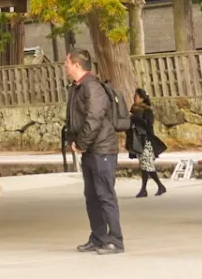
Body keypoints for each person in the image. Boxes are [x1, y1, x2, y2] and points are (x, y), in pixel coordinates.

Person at [63, 49, 123, 254]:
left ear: (77, 65)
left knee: (105, 195)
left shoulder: (92, 87)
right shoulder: (77, 88)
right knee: (92, 196)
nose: (65, 67)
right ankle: (98, 237)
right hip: (90, 149)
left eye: (67, 63)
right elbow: (73, 119)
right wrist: (73, 140)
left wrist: (81, 143)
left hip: (102, 148)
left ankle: (115, 239)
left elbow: (93, 118)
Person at [128, 89, 166, 198]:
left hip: (146, 140)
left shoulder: (147, 111)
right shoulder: (134, 109)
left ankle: (148, 188)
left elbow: (148, 126)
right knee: (145, 165)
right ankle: (156, 187)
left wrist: (135, 119)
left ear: (142, 98)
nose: (134, 98)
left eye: (136, 96)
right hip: (137, 140)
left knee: (146, 165)